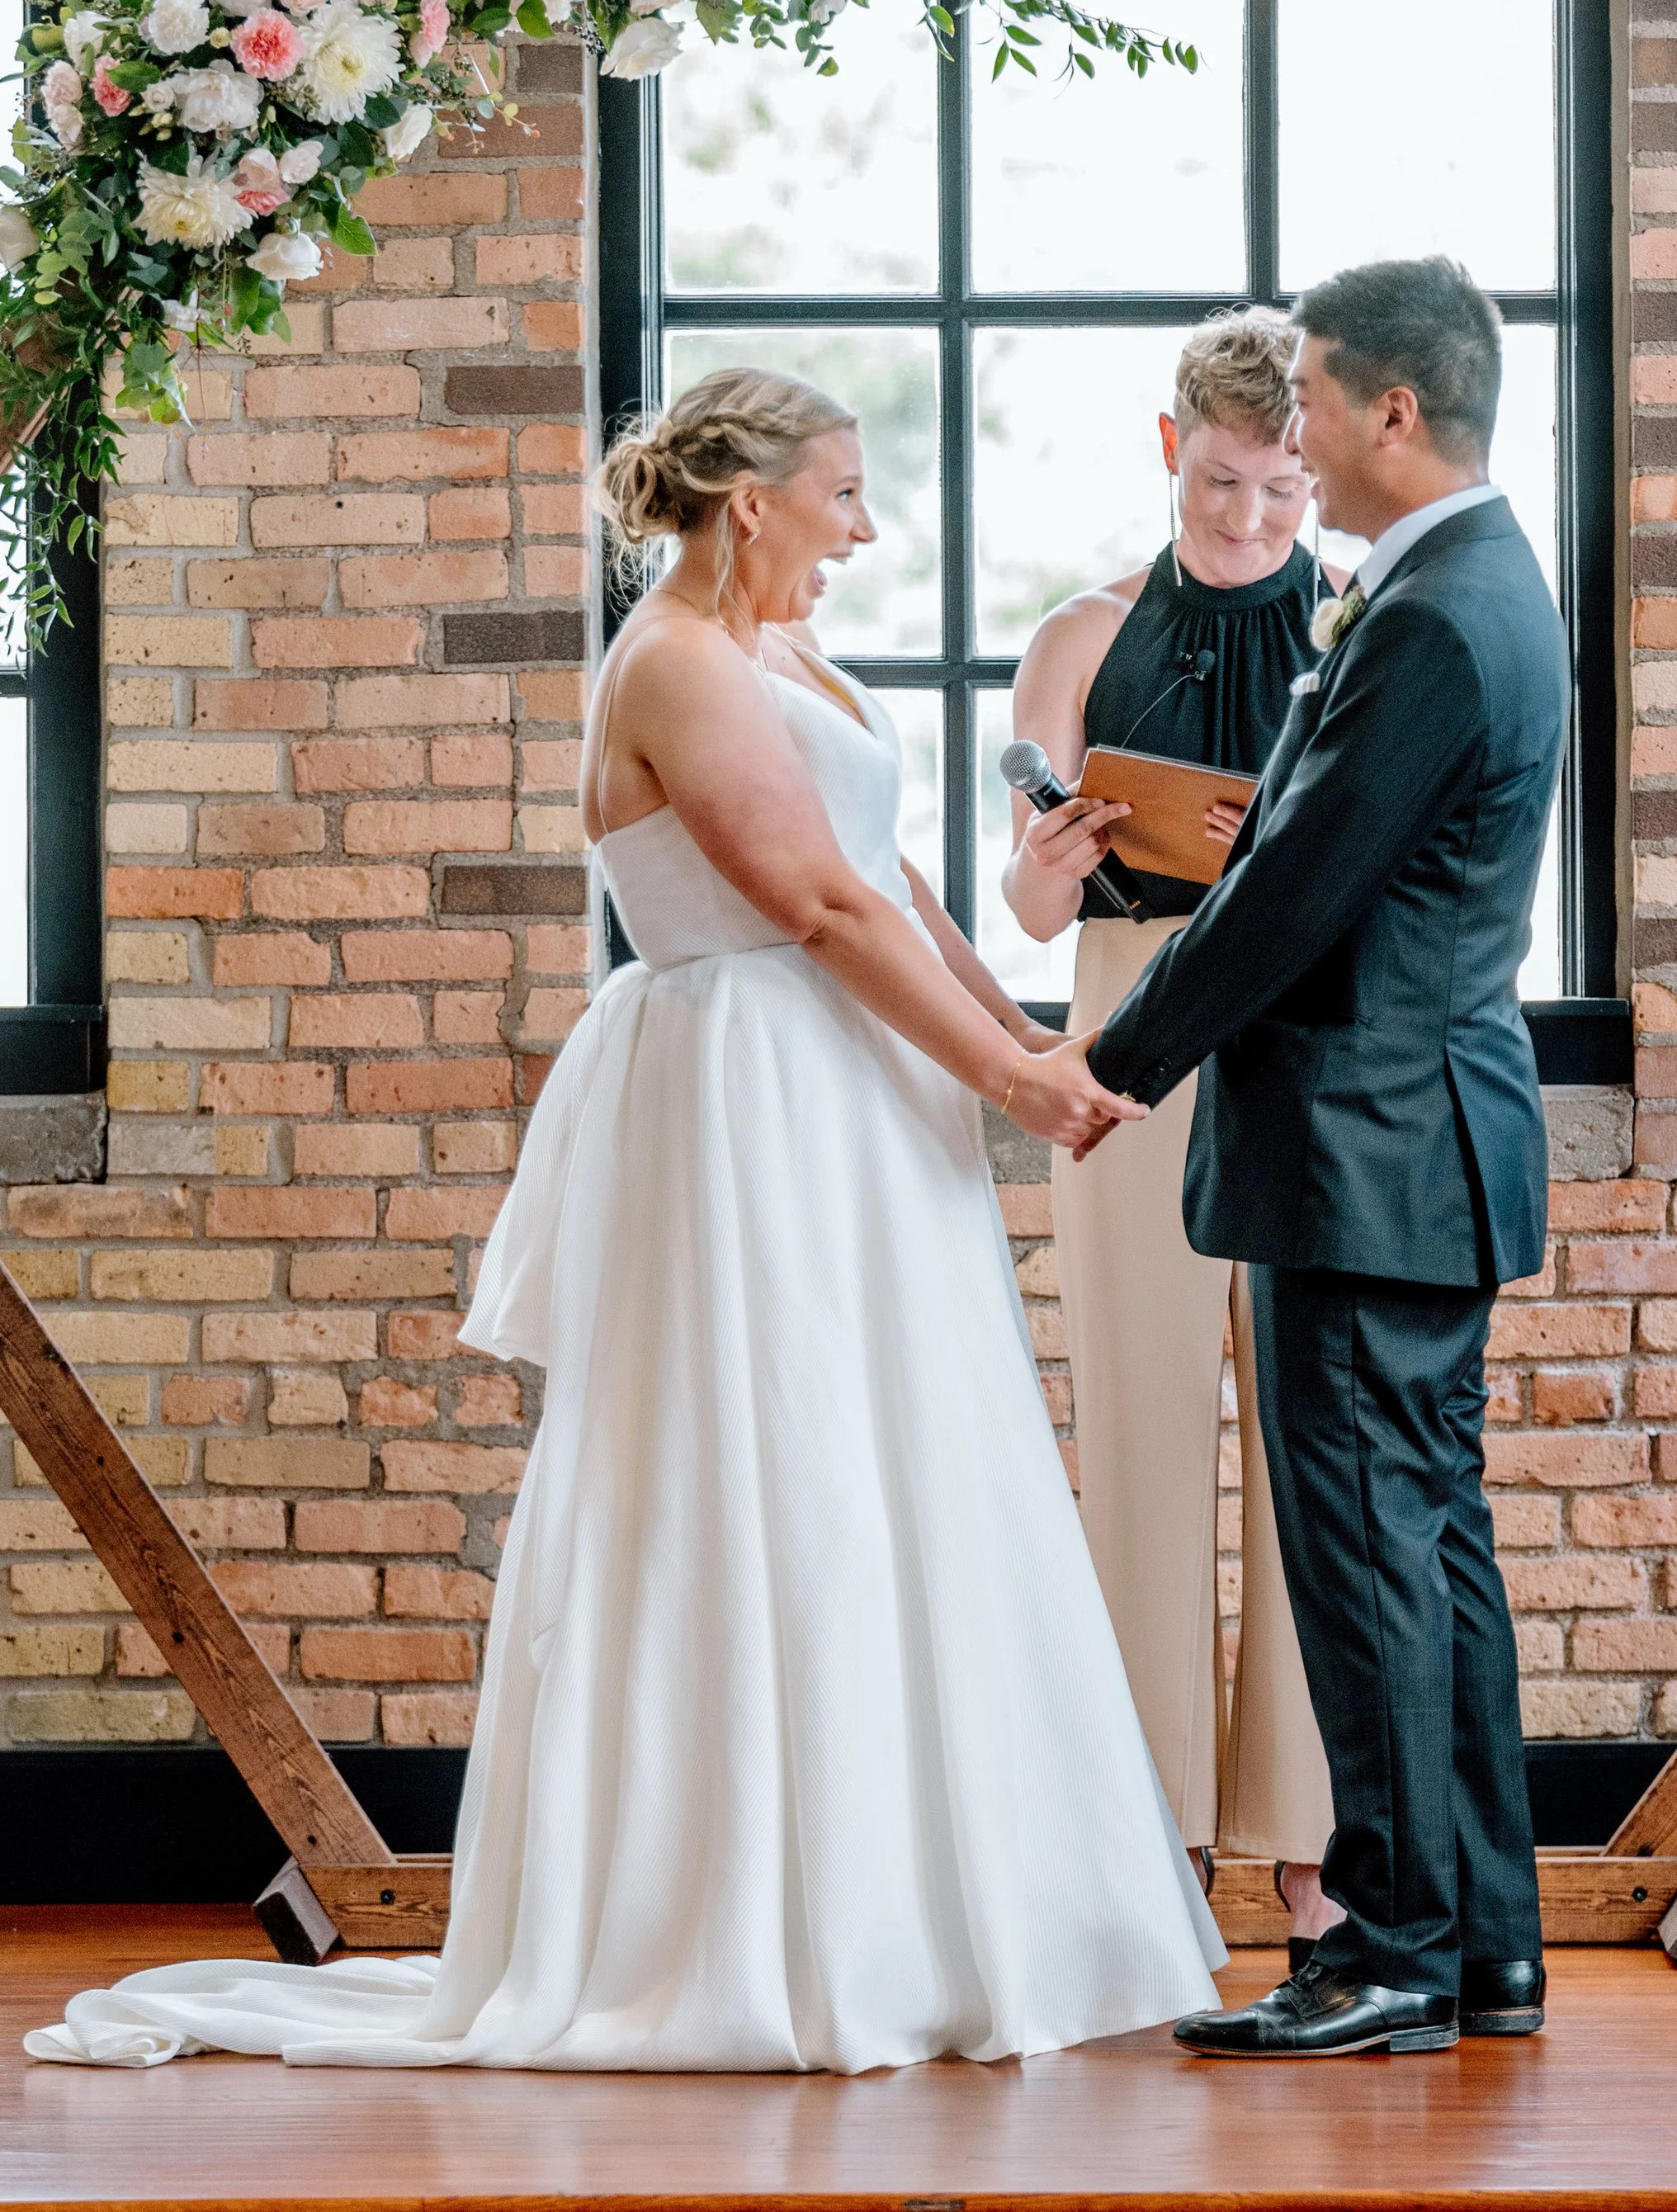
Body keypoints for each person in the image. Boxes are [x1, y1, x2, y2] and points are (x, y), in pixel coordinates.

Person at [29, 369, 1223, 2075]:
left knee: (904, 1463)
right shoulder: (666, 664)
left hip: (860, 1102)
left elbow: (888, 882)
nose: (864, 528)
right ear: (754, 505)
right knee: (761, 1468)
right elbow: (806, 905)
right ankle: (750, 1917)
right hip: (751, 1100)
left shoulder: (777, 653)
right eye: (843, 494)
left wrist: (1017, 1037)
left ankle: (936, 1898)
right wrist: (1016, 1086)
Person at [1082, 259, 1567, 2061]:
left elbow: (1288, 891)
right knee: (1428, 1550)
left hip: (1365, 1150)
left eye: (1305, 407)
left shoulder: (1432, 612)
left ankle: (1388, 1945)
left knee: (1371, 1556)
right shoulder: (1470, 582)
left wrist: (1113, 1062)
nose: (1285, 443)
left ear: (1387, 412)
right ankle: (1481, 1944)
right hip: (1413, 1145)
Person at [1003, 310, 1339, 1949]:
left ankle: (1307, 1846)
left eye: (1281, 490)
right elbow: (1016, 896)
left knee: (1305, 1438)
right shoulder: (1078, 635)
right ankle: (1137, 1834)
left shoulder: (1361, 632)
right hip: (1128, 1022)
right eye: (1221, 482)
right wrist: (1050, 861)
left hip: (1307, 1037)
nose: (1249, 521)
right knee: (1135, 1426)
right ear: (1166, 450)